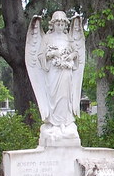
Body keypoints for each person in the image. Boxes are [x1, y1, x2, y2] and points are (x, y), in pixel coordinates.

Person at [25, 10, 85, 145]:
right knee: (54, 97)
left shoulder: (68, 38)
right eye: (58, 23)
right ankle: (54, 124)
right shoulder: (47, 38)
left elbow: (76, 52)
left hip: (66, 72)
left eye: (63, 24)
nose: (60, 26)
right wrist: (52, 54)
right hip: (53, 73)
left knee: (65, 97)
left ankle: (65, 123)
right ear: (53, 24)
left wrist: (71, 56)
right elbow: (40, 56)